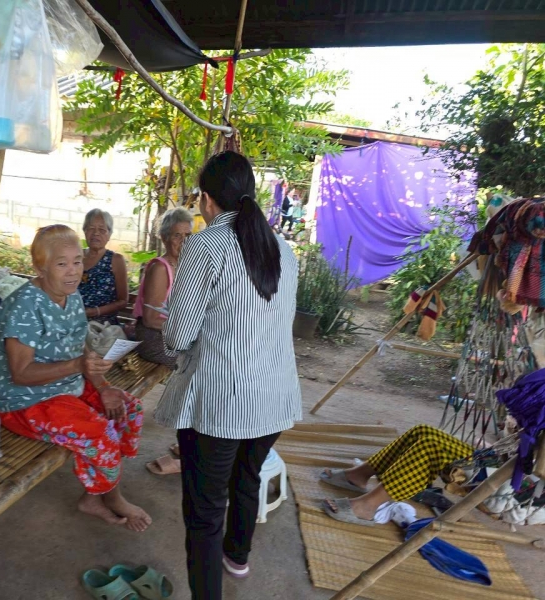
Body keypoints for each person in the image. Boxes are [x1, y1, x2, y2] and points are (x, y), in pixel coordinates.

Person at [154, 151, 302, 599]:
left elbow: (178, 335)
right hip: (275, 397)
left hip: (222, 403)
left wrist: (183, 344)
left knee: (204, 513)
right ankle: (237, 557)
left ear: (206, 199)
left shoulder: (206, 245)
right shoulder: (283, 249)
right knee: (246, 477)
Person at [0, 225, 151, 532]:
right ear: (39, 268)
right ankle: (112, 497)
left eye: (77, 261)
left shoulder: (72, 296)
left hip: (67, 386)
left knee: (128, 409)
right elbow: (20, 373)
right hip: (27, 401)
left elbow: (80, 345)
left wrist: (103, 386)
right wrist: (78, 365)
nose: (73, 271)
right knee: (101, 433)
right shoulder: (25, 306)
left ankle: (93, 495)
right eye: (61, 263)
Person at [320, 424, 475, 525]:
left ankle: (368, 506)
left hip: (487, 473)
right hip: (486, 458)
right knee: (422, 431)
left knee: (430, 448)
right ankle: (360, 476)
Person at [133, 207, 193, 367]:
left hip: (173, 336)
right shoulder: (160, 269)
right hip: (153, 338)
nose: (184, 241)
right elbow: (150, 320)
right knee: (196, 362)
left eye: (188, 235)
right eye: (177, 235)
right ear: (165, 238)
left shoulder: (185, 266)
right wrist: (187, 331)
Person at [78, 209, 128, 325]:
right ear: (85, 231)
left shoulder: (116, 260)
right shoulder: (76, 257)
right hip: (73, 321)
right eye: (91, 228)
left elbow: (123, 300)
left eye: (102, 230)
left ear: (109, 235)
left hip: (103, 326)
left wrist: (96, 311)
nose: (96, 233)